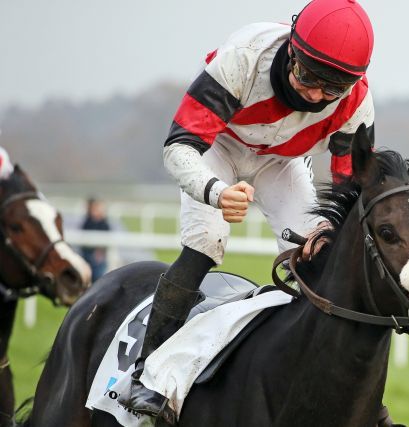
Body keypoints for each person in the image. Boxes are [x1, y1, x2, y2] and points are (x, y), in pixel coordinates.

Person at [119, 0, 376, 418]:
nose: (314, 94)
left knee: (317, 256)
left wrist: (329, 233)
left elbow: (350, 187)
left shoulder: (357, 100)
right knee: (206, 244)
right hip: (216, 145)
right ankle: (147, 376)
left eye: (332, 88)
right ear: (292, 48)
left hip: (283, 161)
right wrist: (215, 191)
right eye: (309, 76)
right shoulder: (244, 56)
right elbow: (179, 146)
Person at [80, 197, 111, 282]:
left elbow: (106, 240)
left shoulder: (104, 224)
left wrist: (100, 251)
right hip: (87, 254)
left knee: (98, 278)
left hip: (98, 257)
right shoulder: (88, 222)